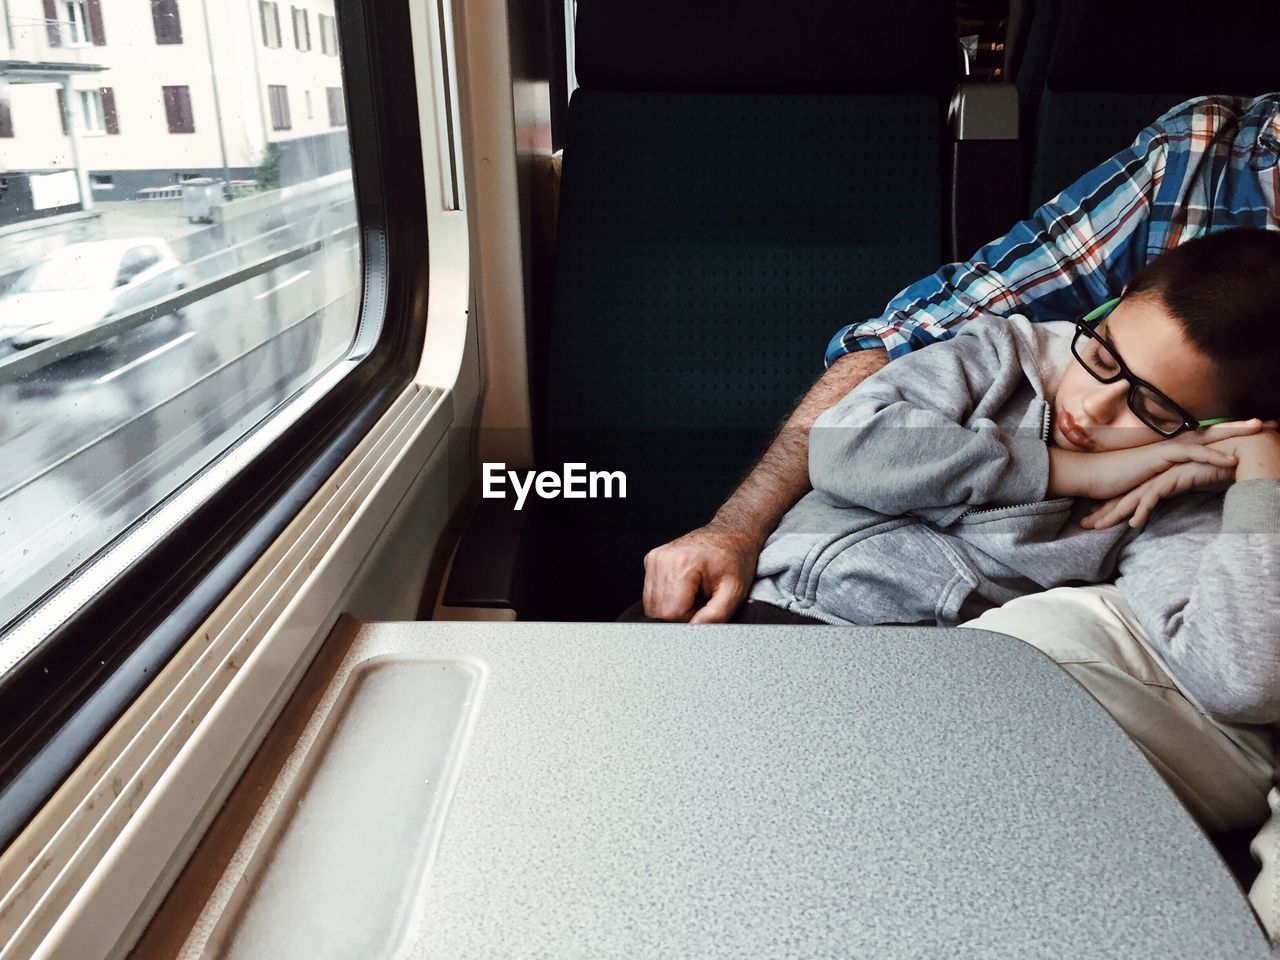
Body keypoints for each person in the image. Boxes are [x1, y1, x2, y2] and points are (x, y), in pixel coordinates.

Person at [637, 93, 1280, 626]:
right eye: (1105, 358)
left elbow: (1232, 670)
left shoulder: (1169, 496)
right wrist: (1068, 471)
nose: (1096, 405)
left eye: (1155, 407)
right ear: (1107, 310)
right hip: (764, 595)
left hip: (914, 656)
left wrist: (1259, 470)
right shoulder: (999, 351)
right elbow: (850, 433)